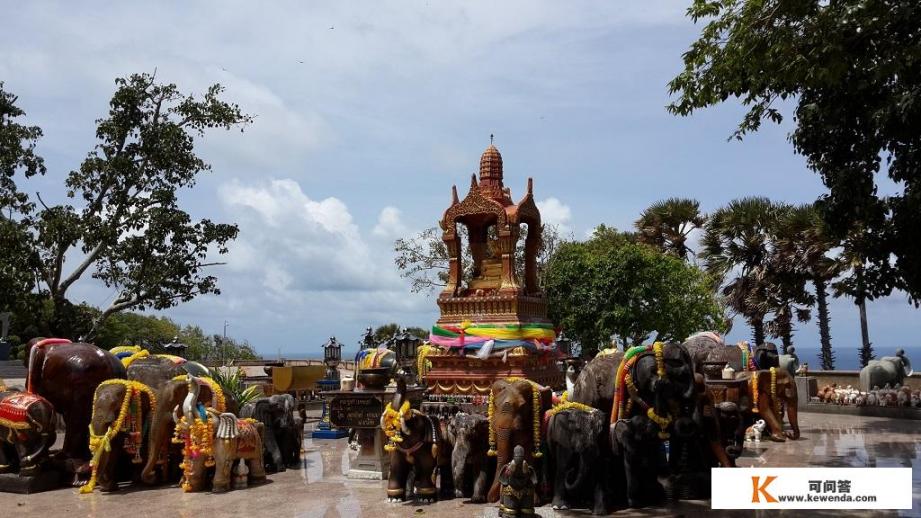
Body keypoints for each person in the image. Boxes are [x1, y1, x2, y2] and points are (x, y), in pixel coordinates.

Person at [498, 445, 537, 517]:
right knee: (510, 513)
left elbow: (531, 480)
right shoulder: (508, 468)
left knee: (527, 512)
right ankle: (506, 507)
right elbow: (504, 480)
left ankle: (524, 508)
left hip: (525, 492)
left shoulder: (527, 467)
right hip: (510, 491)